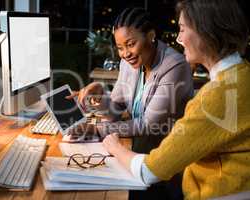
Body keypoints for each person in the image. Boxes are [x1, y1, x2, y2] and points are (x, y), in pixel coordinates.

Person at [103, 0, 250, 199]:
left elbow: (150, 171)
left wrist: (114, 147)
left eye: (182, 29)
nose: (179, 39)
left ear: (206, 32)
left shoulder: (216, 96)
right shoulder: (242, 74)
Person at [67, 7, 193, 199]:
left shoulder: (175, 66)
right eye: (120, 48)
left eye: (131, 44)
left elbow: (149, 124)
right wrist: (99, 97)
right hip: (137, 155)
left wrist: (95, 128)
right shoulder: (130, 64)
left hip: (164, 168)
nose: (125, 54)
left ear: (151, 36)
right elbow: (116, 108)